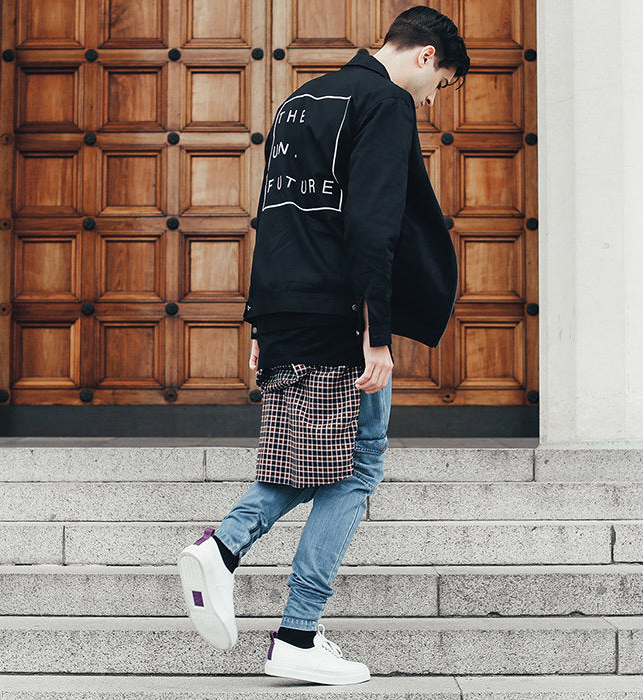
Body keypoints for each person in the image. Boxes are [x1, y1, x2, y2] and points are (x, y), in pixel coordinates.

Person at [176, 6, 469, 686]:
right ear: (426, 56)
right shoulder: (385, 104)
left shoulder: (298, 102)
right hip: (340, 313)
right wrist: (377, 334)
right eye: (442, 84)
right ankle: (289, 623)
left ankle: (237, 565)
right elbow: (373, 225)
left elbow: (275, 218)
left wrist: (259, 322)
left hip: (287, 307)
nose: (434, 99)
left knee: (320, 462)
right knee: (358, 467)